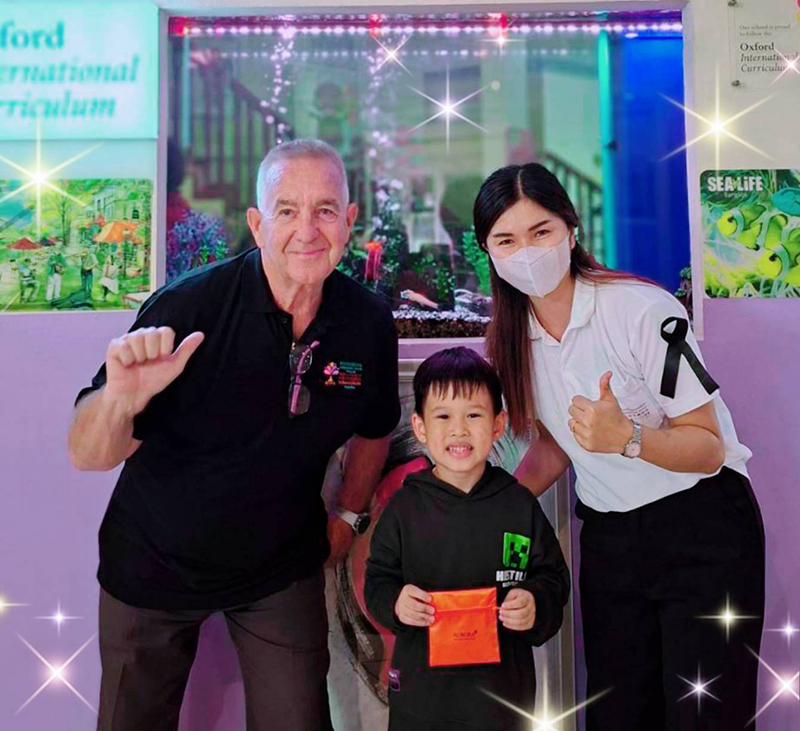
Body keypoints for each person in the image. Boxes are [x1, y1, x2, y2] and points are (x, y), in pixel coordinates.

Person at [68, 139, 401, 731]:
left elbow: (375, 428)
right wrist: (119, 397)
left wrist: (348, 517)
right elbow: (87, 454)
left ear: (349, 221)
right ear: (256, 223)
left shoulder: (367, 322)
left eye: (325, 210)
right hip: (154, 562)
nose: (307, 230)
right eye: (286, 210)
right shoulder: (188, 309)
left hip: (278, 568)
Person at [473, 163, 764, 730]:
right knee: (618, 715)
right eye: (506, 240)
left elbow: (708, 448)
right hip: (611, 540)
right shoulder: (512, 336)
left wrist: (628, 439)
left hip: (703, 526)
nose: (526, 252)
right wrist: (491, 505)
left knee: (706, 716)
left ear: (571, 229)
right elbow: (559, 445)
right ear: (488, 251)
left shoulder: (642, 309)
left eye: (541, 231)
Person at [365, 347, 570, 731]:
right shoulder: (404, 508)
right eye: (443, 416)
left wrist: (535, 602)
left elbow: (553, 579)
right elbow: (378, 580)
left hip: (503, 701)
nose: (459, 430)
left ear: (498, 424)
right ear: (420, 427)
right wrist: (396, 602)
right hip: (422, 701)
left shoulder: (518, 504)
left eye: (473, 415)